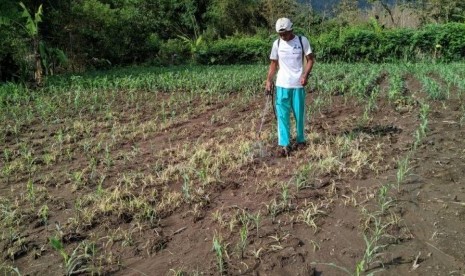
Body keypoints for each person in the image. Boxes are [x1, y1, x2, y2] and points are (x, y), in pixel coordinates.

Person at [266, 17, 315, 157]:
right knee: (282, 116)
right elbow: (273, 64)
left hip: (298, 85)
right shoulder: (277, 44)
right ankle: (284, 144)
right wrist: (269, 80)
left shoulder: (302, 41)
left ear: (291, 29)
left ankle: (300, 140)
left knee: (299, 115)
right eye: (280, 34)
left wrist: (305, 75)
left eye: (285, 33)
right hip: (282, 85)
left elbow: (310, 59)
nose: (283, 36)